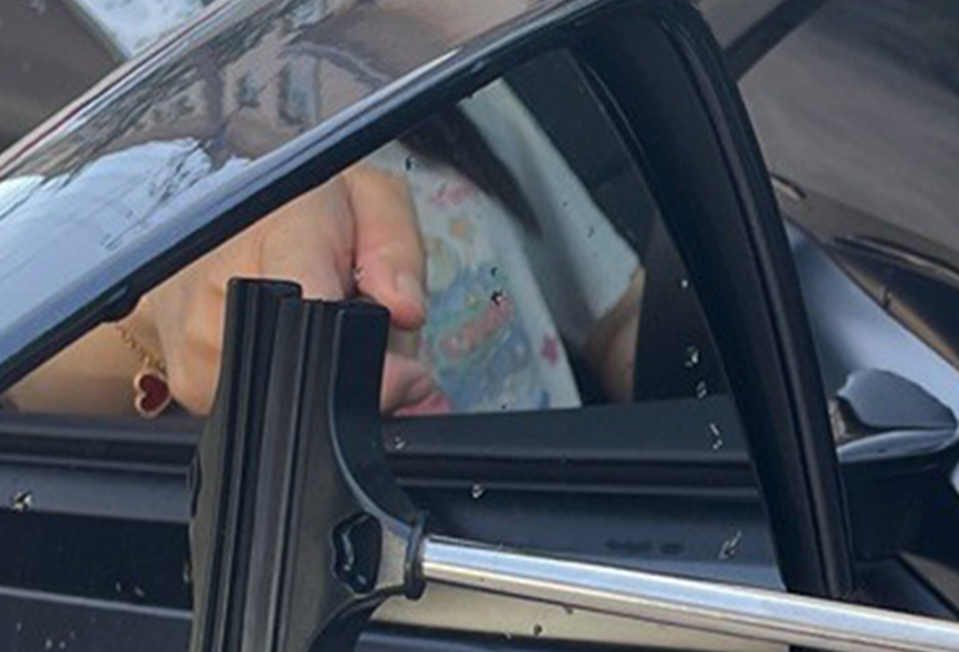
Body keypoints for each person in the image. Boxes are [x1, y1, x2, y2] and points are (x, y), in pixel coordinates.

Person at [5, 82, 643, 417]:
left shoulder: (430, 52)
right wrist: (159, 298)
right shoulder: (56, 80)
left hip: (571, 537)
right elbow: (24, 374)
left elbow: (617, 315)